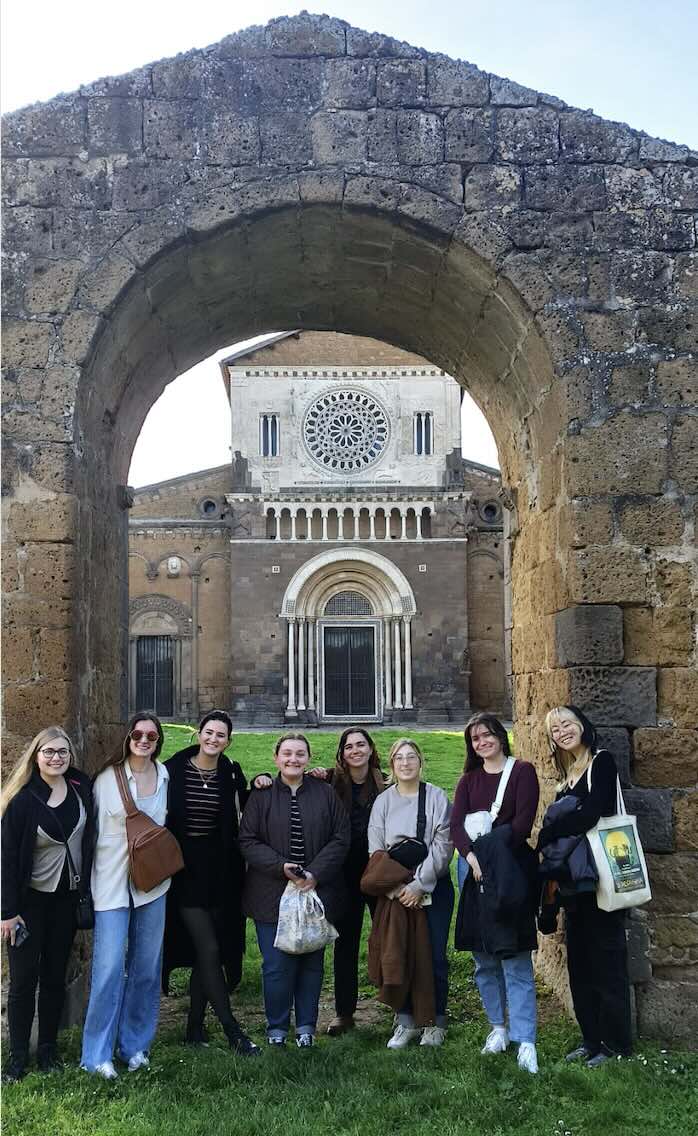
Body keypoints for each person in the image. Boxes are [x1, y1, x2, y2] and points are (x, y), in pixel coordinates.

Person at [238, 733, 350, 1048]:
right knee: (276, 964)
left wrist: (315, 872)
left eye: (300, 754)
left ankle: (305, 1028)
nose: (293, 759)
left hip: (316, 890)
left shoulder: (325, 793)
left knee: (311, 962)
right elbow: (247, 840)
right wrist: (280, 867)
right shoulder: (261, 795)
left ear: (308, 758)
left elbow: (340, 837)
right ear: (276, 758)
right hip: (271, 893)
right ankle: (276, 1028)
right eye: (287, 753)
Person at [537, 705, 633, 1067]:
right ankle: (591, 1039)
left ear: (582, 725)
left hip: (602, 877)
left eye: (566, 723)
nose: (562, 731)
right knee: (580, 964)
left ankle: (617, 1045)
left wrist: (550, 831)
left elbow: (596, 811)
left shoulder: (601, 762)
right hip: (574, 885)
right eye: (555, 729)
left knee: (608, 962)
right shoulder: (566, 775)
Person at [80, 713, 171, 1079]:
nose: (144, 740)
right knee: (108, 970)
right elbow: (90, 834)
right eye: (137, 734)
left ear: (158, 740)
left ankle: (135, 1045)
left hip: (152, 885)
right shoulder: (106, 780)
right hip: (112, 886)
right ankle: (96, 1053)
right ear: (128, 737)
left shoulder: (166, 777)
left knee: (147, 969)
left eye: (151, 735)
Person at [1, 727, 94, 1083]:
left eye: (63, 752)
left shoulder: (80, 789)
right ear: (36, 756)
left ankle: (48, 1051)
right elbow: (7, 861)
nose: (57, 758)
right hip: (28, 906)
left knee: (55, 977)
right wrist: (8, 912)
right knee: (24, 981)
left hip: (66, 903)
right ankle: (18, 1056)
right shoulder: (23, 802)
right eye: (49, 752)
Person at [162, 710, 258, 1055]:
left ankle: (194, 1028)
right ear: (198, 734)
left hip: (221, 871)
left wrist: (260, 781)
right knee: (209, 950)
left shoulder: (230, 772)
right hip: (184, 869)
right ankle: (233, 1031)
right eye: (209, 732)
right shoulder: (173, 770)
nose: (213, 739)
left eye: (221, 735)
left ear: (228, 741)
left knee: (208, 951)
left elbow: (243, 806)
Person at [450, 713, 540, 1074]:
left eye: (488, 735)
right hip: (471, 869)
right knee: (483, 957)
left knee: (514, 955)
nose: (482, 742)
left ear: (501, 737)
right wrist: (470, 857)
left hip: (508, 869)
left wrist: (485, 852)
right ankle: (498, 1028)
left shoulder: (522, 773)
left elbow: (521, 824)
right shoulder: (468, 780)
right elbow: (456, 825)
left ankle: (526, 1039)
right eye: (475, 738)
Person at [367, 738, 453, 1049]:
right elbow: (376, 848)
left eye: (411, 757)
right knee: (399, 954)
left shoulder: (436, 797)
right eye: (399, 758)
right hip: (394, 890)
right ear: (391, 765)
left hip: (432, 887)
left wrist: (419, 885)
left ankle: (435, 1021)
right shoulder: (383, 802)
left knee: (434, 956)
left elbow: (444, 845)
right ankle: (405, 1021)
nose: (406, 763)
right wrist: (395, 887)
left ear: (420, 762)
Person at [309, 727, 388, 1036]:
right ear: (341, 754)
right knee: (345, 943)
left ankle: (398, 1004)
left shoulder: (385, 782)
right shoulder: (329, 781)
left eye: (360, 744)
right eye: (349, 746)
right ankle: (344, 1012)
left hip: (378, 871)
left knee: (388, 937)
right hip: (342, 875)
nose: (355, 750)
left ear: (370, 749)